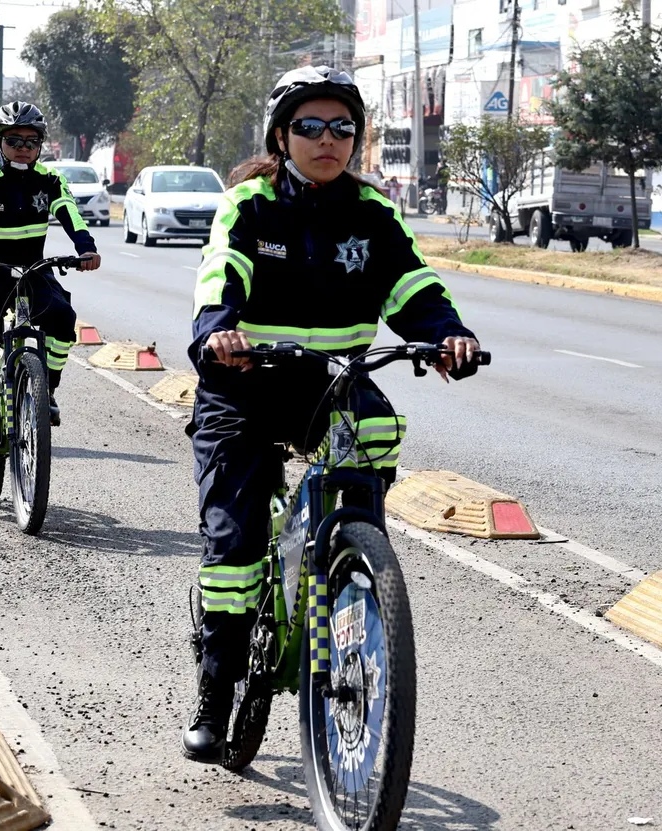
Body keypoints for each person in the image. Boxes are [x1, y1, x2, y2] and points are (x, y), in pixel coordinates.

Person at [181, 66, 479, 763]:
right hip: (245, 382)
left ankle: (354, 560)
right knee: (234, 548)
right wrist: (218, 333)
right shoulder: (249, 206)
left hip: (334, 384)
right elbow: (221, 272)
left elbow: (413, 286)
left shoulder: (373, 215)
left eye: (342, 127)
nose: (327, 139)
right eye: (310, 127)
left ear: (357, 139)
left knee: (377, 424)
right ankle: (215, 690)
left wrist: (447, 336)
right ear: (282, 136)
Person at [0, 101, 102, 488]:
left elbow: (71, 216)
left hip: (31, 270)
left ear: (41, 145)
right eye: (14, 140)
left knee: (63, 319)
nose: (23, 147)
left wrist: (86, 248)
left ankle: (45, 388)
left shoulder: (49, 181)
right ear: (0, 141)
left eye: (32, 141)